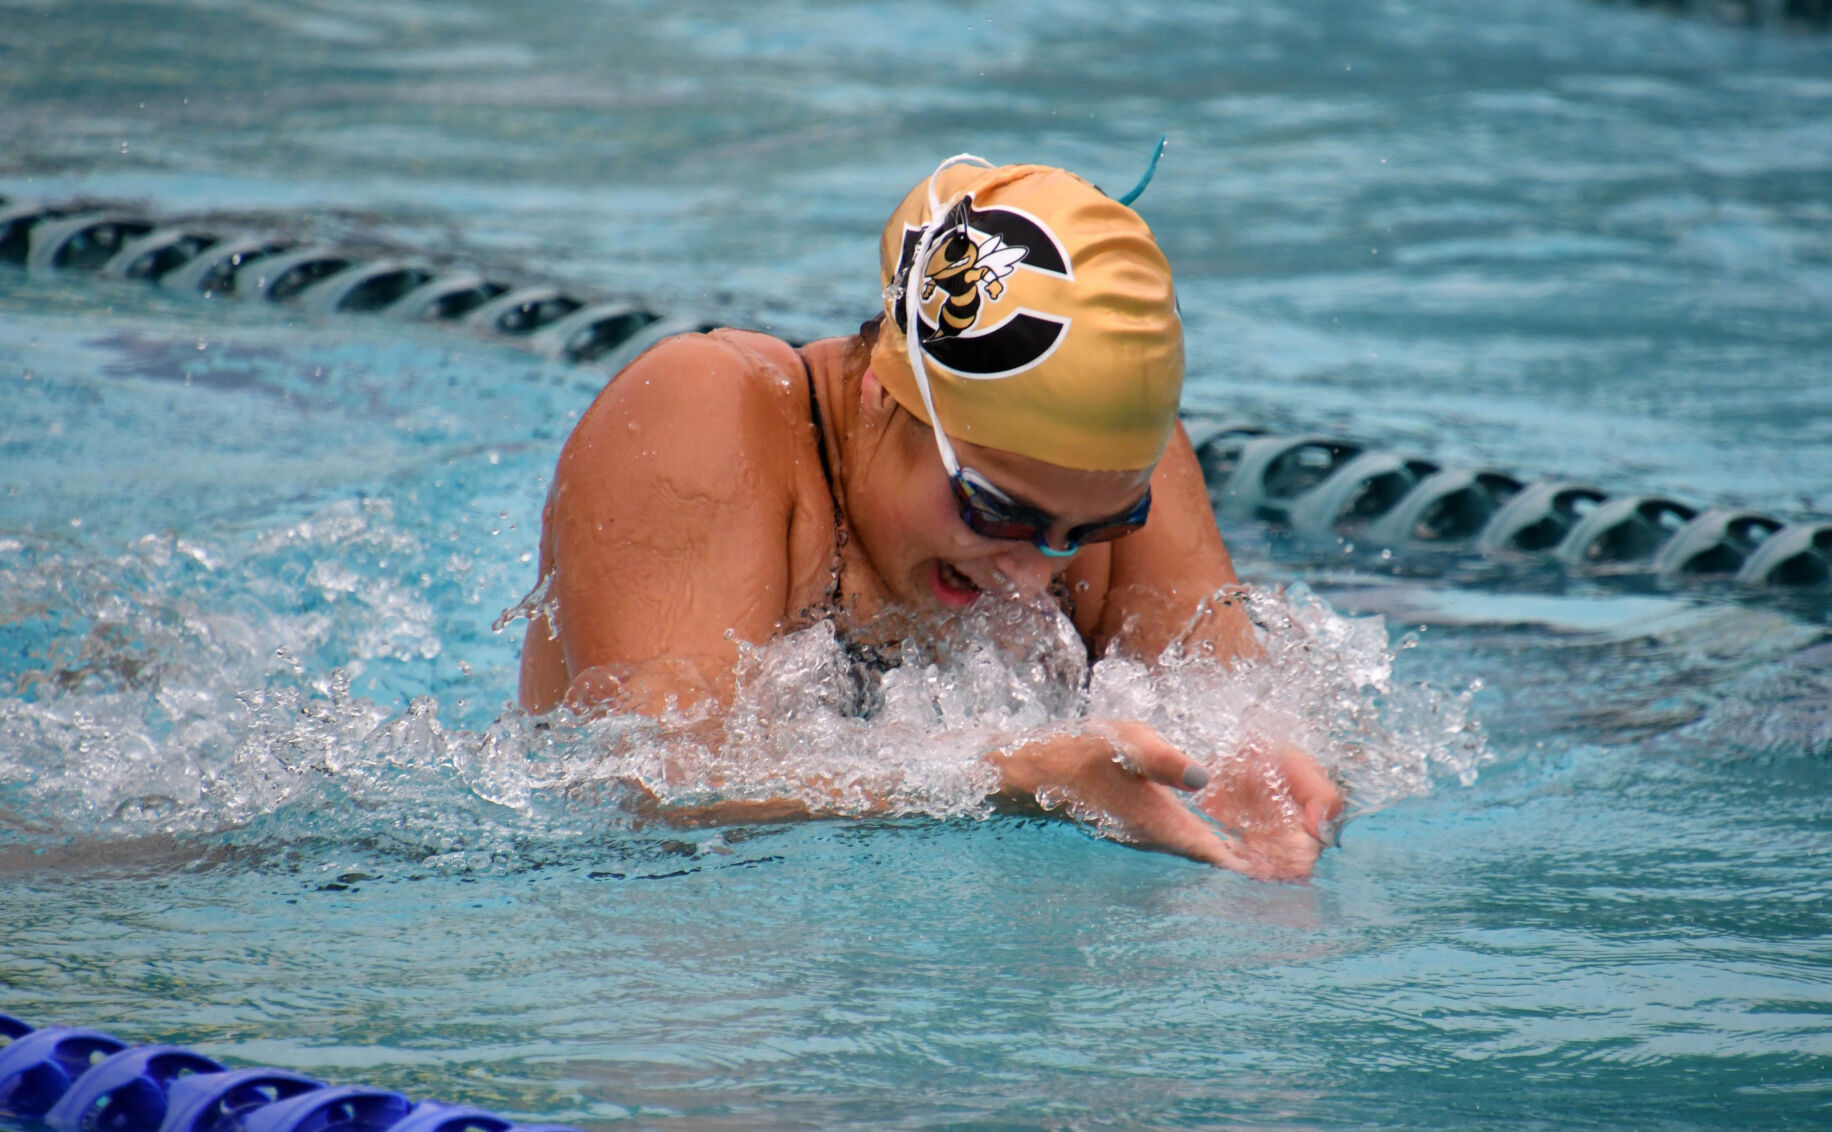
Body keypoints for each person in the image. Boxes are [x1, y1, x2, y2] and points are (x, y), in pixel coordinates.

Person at [518, 154, 1341, 879]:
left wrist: (1265, 766)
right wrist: (1008, 776)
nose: (1037, 574)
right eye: (994, 509)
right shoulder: (705, 415)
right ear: (884, 389)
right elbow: (659, 792)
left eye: (1089, 535)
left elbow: (1239, 706)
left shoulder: (1110, 476)